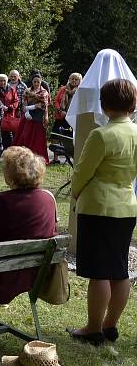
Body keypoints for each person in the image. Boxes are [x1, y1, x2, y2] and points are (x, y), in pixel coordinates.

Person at [67, 79, 137, 346]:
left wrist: (75, 193)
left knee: (99, 271)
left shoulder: (101, 134)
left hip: (98, 206)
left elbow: (82, 172)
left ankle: (93, 328)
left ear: (105, 105)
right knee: (119, 270)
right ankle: (110, 325)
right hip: (126, 205)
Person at [0, 146, 57, 305]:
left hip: (2, 276)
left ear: (10, 174)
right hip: (38, 275)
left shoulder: (0, 202)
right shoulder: (48, 199)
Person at [12, 72, 50, 164]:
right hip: (28, 118)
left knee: (38, 138)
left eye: (38, 82)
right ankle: (23, 157)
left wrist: (32, 107)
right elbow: (24, 104)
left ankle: (37, 157)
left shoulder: (44, 92)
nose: (36, 83)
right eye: (34, 82)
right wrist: (27, 111)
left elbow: (44, 104)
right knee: (25, 136)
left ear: (41, 82)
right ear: (32, 82)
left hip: (38, 118)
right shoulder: (27, 90)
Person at [50, 72, 81, 164]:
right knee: (55, 136)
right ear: (69, 79)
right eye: (72, 79)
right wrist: (60, 111)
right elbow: (56, 101)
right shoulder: (63, 89)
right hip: (60, 117)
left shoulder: (80, 91)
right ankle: (56, 159)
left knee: (70, 139)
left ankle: (71, 159)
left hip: (72, 119)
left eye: (76, 79)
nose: (74, 81)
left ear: (79, 81)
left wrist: (69, 113)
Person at [0, 73, 19, 150]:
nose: (2, 82)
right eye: (0, 81)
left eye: (4, 81)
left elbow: (16, 101)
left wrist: (10, 107)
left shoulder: (12, 90)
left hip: (9, 114)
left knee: (9, 133)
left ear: (7, 81)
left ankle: (9, 150)